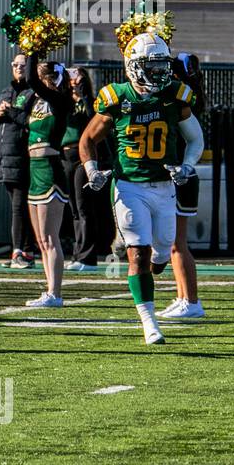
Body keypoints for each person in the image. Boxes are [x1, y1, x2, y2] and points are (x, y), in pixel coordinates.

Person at [79, 33, 202, 345]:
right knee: (138, 254)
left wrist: (187, 166)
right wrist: (92, 169)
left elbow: (195, 138)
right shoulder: (116, 98)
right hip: (129, 187)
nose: (161, 72)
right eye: (154, 65)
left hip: (164, 187)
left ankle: (156, 267)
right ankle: (150, 324)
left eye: (163, 64)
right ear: (134, 66)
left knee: (161, 251)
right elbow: (87, 140)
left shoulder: (176, 95)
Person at [159, 53, 210, 318]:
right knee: (173, 244)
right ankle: (182, 297)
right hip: (181, 175)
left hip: (182, 175)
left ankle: (191, 301)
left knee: (178, 243)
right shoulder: (187, 95)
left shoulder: (182, 99)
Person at [23, 54, 73, 306]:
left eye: (48, 77)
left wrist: (32, 48)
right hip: (34, 169)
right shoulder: (36, 101)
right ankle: (49, 290)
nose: (43, 81)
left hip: (51, 169)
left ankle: (56, 293)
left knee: (50, 237)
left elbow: (30, 78)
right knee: (41, 239)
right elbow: (21, 116)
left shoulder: (61, 101)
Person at [62, 67, 113, 271]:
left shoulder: (91, 101)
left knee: (84, 207)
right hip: (65, 155)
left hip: (84, 157)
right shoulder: (64, 100)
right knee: (74, 208)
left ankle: (88, 257)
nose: (73, 81)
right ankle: (78, 252)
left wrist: (84, 95)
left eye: (77, 77)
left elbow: (95, 121)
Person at [0, 53, 36, 268]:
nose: (19, 68)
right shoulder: (5, 91)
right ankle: (24, 252)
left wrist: (11, 111)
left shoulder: (33, 92)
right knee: (19, 207)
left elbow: (30, 121)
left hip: (22, 157)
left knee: (20, 207)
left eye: (23, 65)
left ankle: (19, 252)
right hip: (4, 159)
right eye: (15, 65)